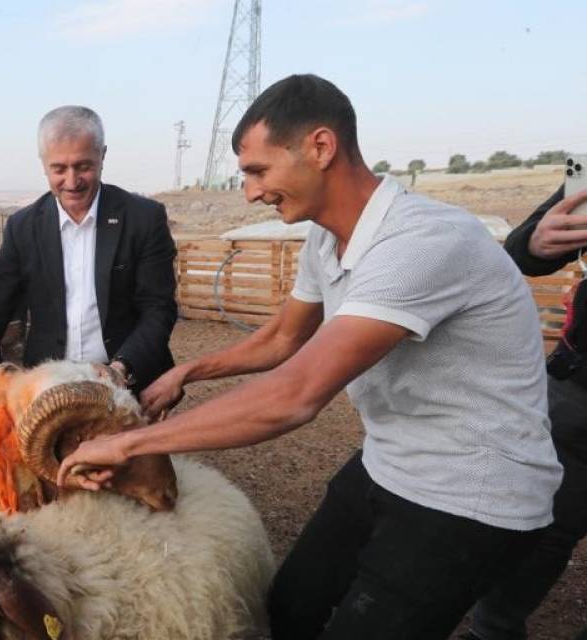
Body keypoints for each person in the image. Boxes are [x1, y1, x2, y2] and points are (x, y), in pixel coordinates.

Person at [55, 74, 562, 640]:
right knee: (288, 610)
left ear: (320, 148)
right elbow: (282, 340)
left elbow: (295, 396)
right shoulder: (327, 238)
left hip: (470, 491)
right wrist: (186, 371)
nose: (250, 192)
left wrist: (130, 443)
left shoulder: (422, 243)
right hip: (392, 460)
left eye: (258, 171)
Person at [0, 105, 178, 394]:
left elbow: (158, 308)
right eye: (59, 169)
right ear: (43, 162)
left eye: (83, 166)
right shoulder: (23, 227)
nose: (71, 182)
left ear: (102, 155)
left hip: (128, 381)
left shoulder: (143, 218)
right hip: (48, 384)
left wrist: (121, 366)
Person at [462, 185, 587, 640]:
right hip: (578, 393)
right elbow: (519, 248)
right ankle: (493, 628)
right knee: (546, 524)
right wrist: (537, 242)